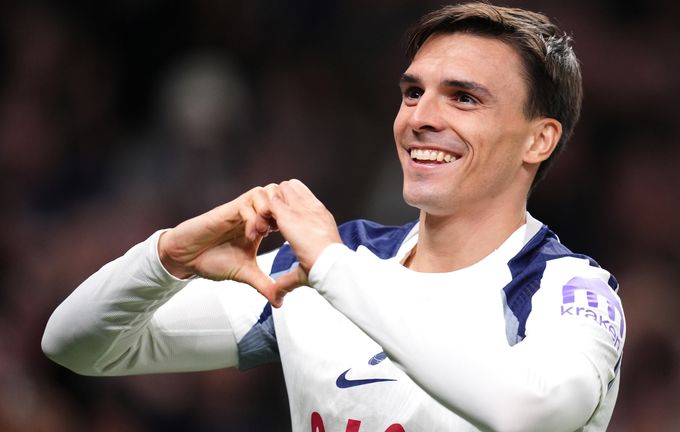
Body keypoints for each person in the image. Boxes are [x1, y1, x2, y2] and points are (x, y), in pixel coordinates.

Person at [42, 3, 625, 431]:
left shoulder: (568, 288)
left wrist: (333, 267)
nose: (420, 117)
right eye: (413, 92)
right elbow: (76, 344)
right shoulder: (329, 264)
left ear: (539, 140)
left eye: (464, 98)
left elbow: (532, 410)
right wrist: (166, 257)